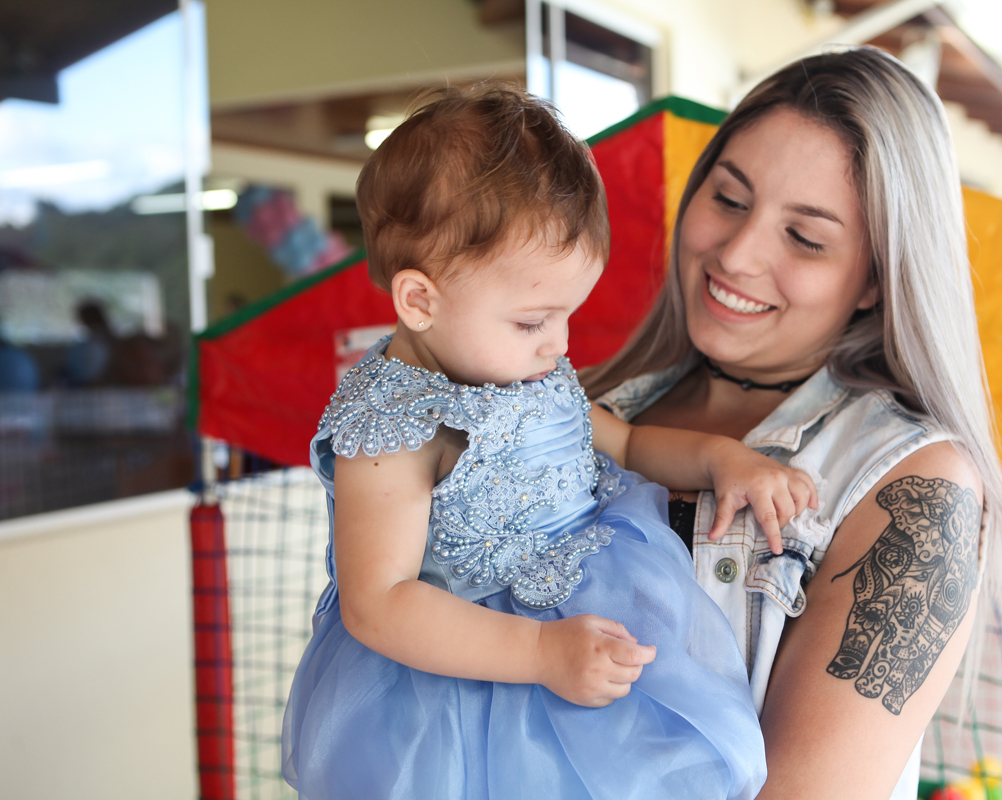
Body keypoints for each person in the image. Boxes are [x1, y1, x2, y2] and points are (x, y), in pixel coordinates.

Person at [282, 86, 823, 799]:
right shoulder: (391, 430)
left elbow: (624, 446)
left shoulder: (518, 371)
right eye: (534, 320)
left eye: (567, 314)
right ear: (419, 300)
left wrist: (722, 459)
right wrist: (537, 652)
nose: (560, 344)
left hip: (586, 627)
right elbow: (378, 602)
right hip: (473, 685)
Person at [584, 46, 1002, 800]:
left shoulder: (915, 483)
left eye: (805, 237)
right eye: (728, 199)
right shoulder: (593, 406)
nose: (736, 254)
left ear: (875, 279)